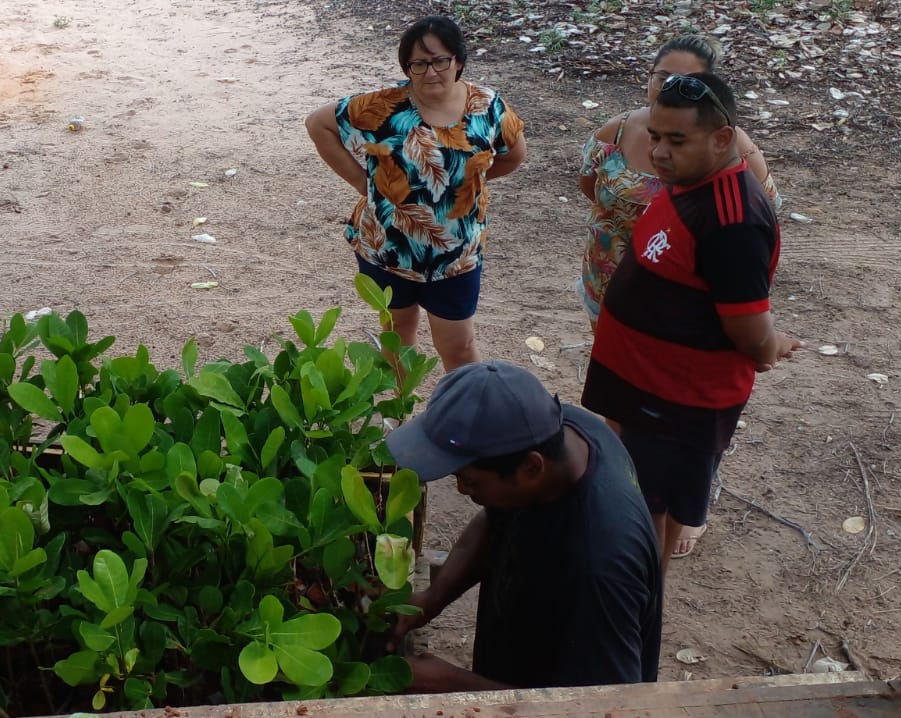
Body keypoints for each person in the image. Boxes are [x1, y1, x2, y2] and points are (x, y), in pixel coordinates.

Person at [581, 72, 800, 577]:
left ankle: (638, 600)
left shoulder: (733, 220)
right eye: (656, 136)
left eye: (676, 140)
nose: (658, 152)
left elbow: (749, 328)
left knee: (650, 508)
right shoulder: (691, 182)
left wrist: (773, 346)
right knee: (637, 491)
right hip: (645, 387)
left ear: (722, 139)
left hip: (675, 398)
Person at [384, 361, 661, 691]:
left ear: (531, 468)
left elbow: (599, 708)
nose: (461, 490)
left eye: (469, 480)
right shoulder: (563, 430)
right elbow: (495, 517)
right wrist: (430, 600)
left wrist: (451, 685)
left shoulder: (599, 568)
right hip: (520, 656)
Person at [306, 16, 526, 372]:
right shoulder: (381, 107)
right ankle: (398, 411)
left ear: (458, 61)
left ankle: (467, 422)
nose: (431, 72)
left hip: (455, 254)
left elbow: (514, 154)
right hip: (389, 247)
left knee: (460, 347)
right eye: (418, 64)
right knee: (397, 334)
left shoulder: (487, 105)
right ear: (407, 68)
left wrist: (469, 182)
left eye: (440, 61)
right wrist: (361, 182)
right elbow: (318, 124)